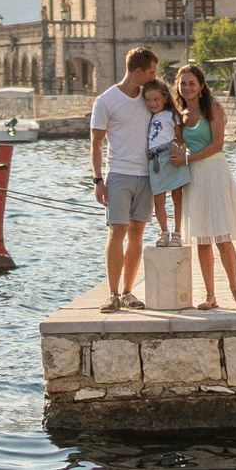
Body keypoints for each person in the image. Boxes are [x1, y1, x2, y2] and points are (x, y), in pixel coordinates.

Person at [174, 62, 236, 309]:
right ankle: (210, 295)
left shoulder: (212, 108)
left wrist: (187, 159)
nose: (187, 87)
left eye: (191, 83)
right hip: (194, 177)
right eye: (183, 83)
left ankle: (235, 287)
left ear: (201, 86)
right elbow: (177, 146)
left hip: (215, 172)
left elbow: (218, 144)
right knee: (202, 239)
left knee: (222, 236)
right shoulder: (180, 115)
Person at [89, 47, 157, 311]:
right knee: (118, 231)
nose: (154, 76)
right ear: (138, 71)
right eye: (151, 71)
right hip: (118, 174)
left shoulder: (148, 97)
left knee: (137, 233)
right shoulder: (106, 101)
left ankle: (129, 292)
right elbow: (95, 144)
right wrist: (97, 180)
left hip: (147, 175)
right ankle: (113, 293)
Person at [144, 77, 190, 244]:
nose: (152, 103)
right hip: (155, 159)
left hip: (170, 156)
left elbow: (179, 137)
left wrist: (176, 147)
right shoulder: (148, 116)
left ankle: (178, 232)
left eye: (156, 99)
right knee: (159, 198)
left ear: (165, 98)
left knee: (177, 197)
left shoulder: (172, 115)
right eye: (148, 100)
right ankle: (164, 231)